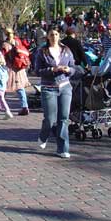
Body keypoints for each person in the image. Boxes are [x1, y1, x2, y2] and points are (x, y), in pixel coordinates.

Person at [34, 26, 76, 158]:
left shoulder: (66, 50)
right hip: (48, 87)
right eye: (51, 35)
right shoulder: (42, 52)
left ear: (60, 36)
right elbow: (37, 71)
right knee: (50, 119)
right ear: (47, 36)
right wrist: (52, 69)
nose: (54, 37)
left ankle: (63, 148)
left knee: (63, 118)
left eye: (56, 34)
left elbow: (74, 67)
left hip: (65, 86)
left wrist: (69, 70)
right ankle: (43, 135)